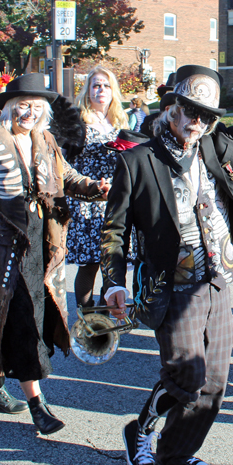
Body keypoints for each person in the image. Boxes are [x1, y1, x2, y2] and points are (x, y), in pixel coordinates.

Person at [101, 24, 233, 465]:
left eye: (207, 115)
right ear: (171, 107)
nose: (198, 122)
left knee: (214, 385)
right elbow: (113, 229)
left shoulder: (219, 146)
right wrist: (113, 281)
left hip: (218, 280)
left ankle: (174, 455)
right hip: (171, 286)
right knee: (186, 375)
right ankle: (141, 429)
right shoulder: (137, 162)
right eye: (190, 111)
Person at [0, 73, 110, 435]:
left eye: (37, 107)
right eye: (23, 105)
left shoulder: (46, 141)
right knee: (20, 318)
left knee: (13, 318)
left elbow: (67, 177)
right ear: (8, 107)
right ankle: (38, 404)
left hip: (40, 241)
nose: (30, 112)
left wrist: (96, 188)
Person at [66, 66, 129, 309]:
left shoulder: (120, 120)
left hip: (114, 199)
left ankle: (103, 321)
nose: (101, 89)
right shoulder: (78, 120)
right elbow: (65, 162)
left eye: (105, 85)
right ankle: (86, 317)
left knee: (110, 262)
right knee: (90, 263)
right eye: (96, 85)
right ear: (88, 91)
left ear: (113, 90)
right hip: (87, 200)